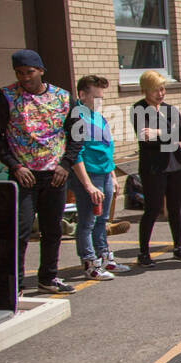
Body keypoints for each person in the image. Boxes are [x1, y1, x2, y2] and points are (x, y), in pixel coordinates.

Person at [0, 49, 76, 294]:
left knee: (52, 229)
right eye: (19, 73)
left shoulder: (63, 98)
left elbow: (77, 134)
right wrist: (15, 164)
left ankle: (48, 278)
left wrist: (65, 164)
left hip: (54, 174)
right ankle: (15, 284)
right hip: (24, 174)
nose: (25, 77)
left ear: (41, 70)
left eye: (30, 72)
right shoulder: (6, 97)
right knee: (20, 231)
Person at [62, 75, 126, 281]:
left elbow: (107, 148)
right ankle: (89, 263)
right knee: (87, 221)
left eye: (102, 98)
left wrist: (112, 175)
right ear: (82, 95)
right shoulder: (77, 117)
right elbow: (75, 154)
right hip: (88, 176)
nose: (100, 102)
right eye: (96, 97)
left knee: (102, 219)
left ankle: (104, 256)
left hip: (104, 174)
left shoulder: (99, 117)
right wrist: (88, 185)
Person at [130, 70, 181, 267]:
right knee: (153, 208)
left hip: (176, 164)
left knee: (175, 207)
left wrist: (158, 131)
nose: (161, 93)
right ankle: (143, 251)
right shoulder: (138, 109)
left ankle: (178, 247)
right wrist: (165, 133)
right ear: (145, 90)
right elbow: (145, 139)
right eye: (156, 90)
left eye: (163, 89)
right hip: (153, 167)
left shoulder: (170, 109)